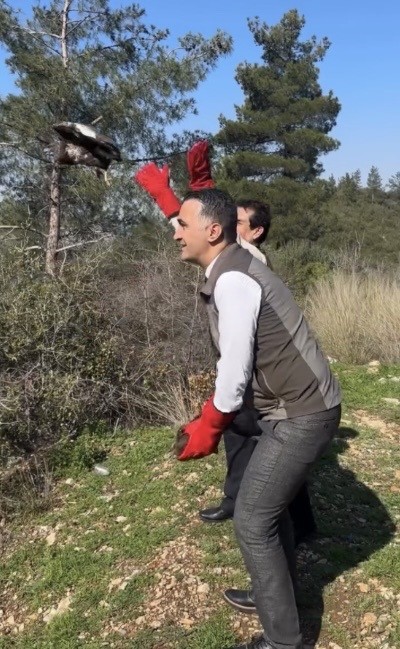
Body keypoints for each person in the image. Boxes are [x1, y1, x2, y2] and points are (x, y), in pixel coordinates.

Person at [174, 188, 341, 649]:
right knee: (269, 509)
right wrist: (179, 195)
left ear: (213, 232)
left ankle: (283, 640)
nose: (176, 233)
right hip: (294, 407)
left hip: (301, 413)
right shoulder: (234, 260)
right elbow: (207, 216)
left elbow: (234, 367)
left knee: (251, 519)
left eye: (182, 225)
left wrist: (210, 424)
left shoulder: (233, 280)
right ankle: (275, 598)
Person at [134, 147, 318, 564]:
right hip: (249, 378)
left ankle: (295, 523)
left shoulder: (248, 259)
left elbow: (210, 231)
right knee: (243, 439)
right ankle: (239, 500)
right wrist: (174, 200)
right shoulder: (232, 254)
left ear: (253, 232)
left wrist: (198, 187)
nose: (233, 225)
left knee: (274, 456)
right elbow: (198, 231)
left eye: (239, 221)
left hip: (264, 379)